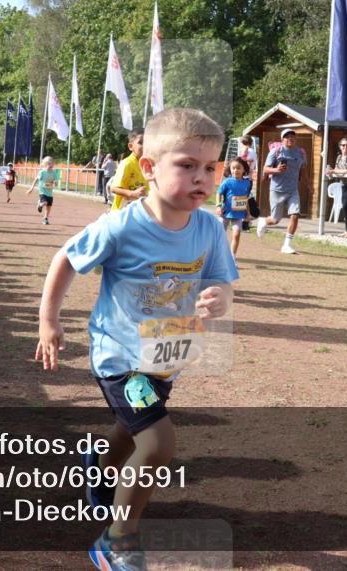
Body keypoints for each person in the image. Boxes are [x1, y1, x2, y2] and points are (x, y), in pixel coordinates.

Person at [35, 108, 237, 571]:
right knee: (157, 441)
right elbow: (65, 259)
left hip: (167, 354)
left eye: (211, 167)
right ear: (148, 168)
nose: (201, 178)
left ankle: (98, 464)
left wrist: (219, 297)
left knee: (131, 429)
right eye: (187, 166)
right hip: (120, 356)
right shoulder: (122, 225)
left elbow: (222, 279)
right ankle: (117, 540)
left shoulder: (209, 227)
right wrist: (49, 320)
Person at [256, 128, 306, 254]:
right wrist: (277, 170)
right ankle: (263, 221)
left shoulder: (300, 153)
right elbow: (266, 169)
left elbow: (303, 170)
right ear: (283, 139)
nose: (290, 138)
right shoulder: (276, 151)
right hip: (277, 189)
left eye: (292, 136)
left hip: (292, 190)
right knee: (275, 220)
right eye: (287, 136)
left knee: (295, 215)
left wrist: (310, 186)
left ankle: (286, 245)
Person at [217, 157, 253, 257]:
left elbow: (245, 199)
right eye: (233, 168)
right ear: (230, 169)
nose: (235, 170)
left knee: (237, 234)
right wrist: (218, 206)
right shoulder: (227, 182)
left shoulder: (247, 183)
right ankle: (216, 255)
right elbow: (219, 193)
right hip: (225, 213)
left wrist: (248, 213)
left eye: (238, 168)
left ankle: (232, 257)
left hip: (238, 214)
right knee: (219, 235)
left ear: (244, 170)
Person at [326, 137, 347, 238]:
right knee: (346, 207)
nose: (345, 147)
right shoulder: (339, 157)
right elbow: (337, 169)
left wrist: (333, 171)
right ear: (340, 147)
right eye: (343, 145)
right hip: (344, 184)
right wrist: (331, 170)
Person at [109, 130, 147, 211]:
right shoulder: (127, 163)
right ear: (130, 146)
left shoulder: (148, 164)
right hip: (122, 213)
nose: (145, 146)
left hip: (139, 211)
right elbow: (113, 188)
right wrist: (132, 193)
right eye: (141, 143)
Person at [27, 156, 60, 225]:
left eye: (51, 164)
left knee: (49, 207)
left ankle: (45, 218)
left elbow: (56, 182)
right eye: (48, 164)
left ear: (53, 164)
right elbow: (36, 180)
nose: (50, 165)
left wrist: (56, 183)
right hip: (42, 191)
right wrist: (31, 188)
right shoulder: (42, 172)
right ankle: (40, 204)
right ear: (45, 165)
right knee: (45, 203)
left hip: (50, 192)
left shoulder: (54, 172)